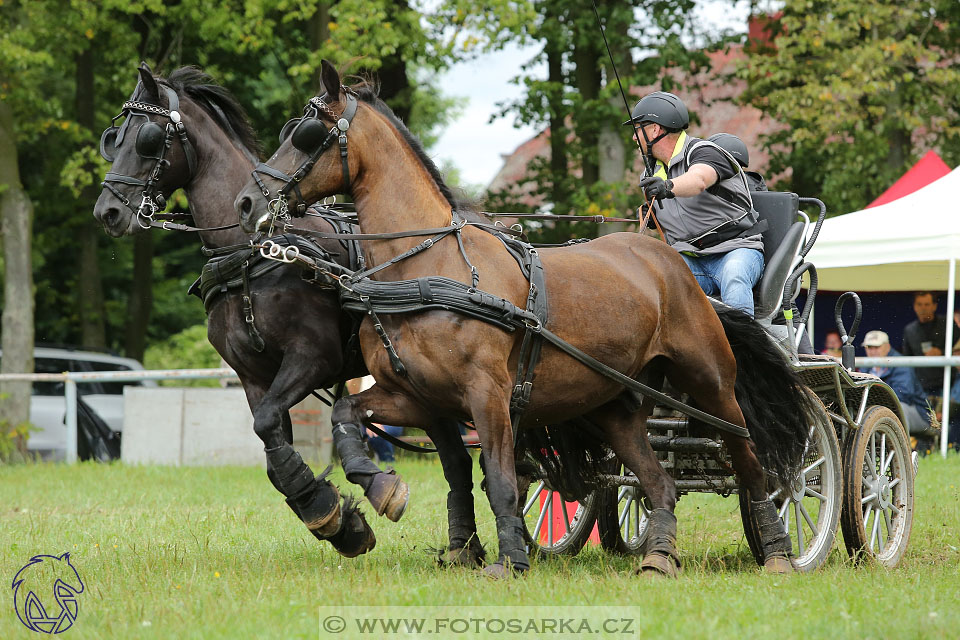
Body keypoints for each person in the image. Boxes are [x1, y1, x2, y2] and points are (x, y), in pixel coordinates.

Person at [626, 91, 765, 317]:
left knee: (734, 273)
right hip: (690, 260)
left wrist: (667, 187)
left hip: (735, 250)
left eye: (637, 129)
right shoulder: (651, 172)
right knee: (648, 275)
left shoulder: (705, 151)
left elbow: (699, 180)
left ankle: (741, 349)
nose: (634, 137)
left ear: (655, 129)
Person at [862, 330, 938, 451]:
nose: (872, 351)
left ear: (887, 346)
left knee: (897, 408)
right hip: (880, 409)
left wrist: (874, 402)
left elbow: (903, 395)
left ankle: (901, 453)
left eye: (876, 347)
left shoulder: (900, 362)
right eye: (869, 347)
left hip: (920, 414)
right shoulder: (865, 365)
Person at [901, 291, 960, 395]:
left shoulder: (947, 323)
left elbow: (958, 348)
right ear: (914, 306)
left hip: (948, 384)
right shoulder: (909, 330)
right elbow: (906, 359)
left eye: (927, 304)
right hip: (921, 387)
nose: (923, 308)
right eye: (919, 304)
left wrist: (941, 352)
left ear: (934, 306)